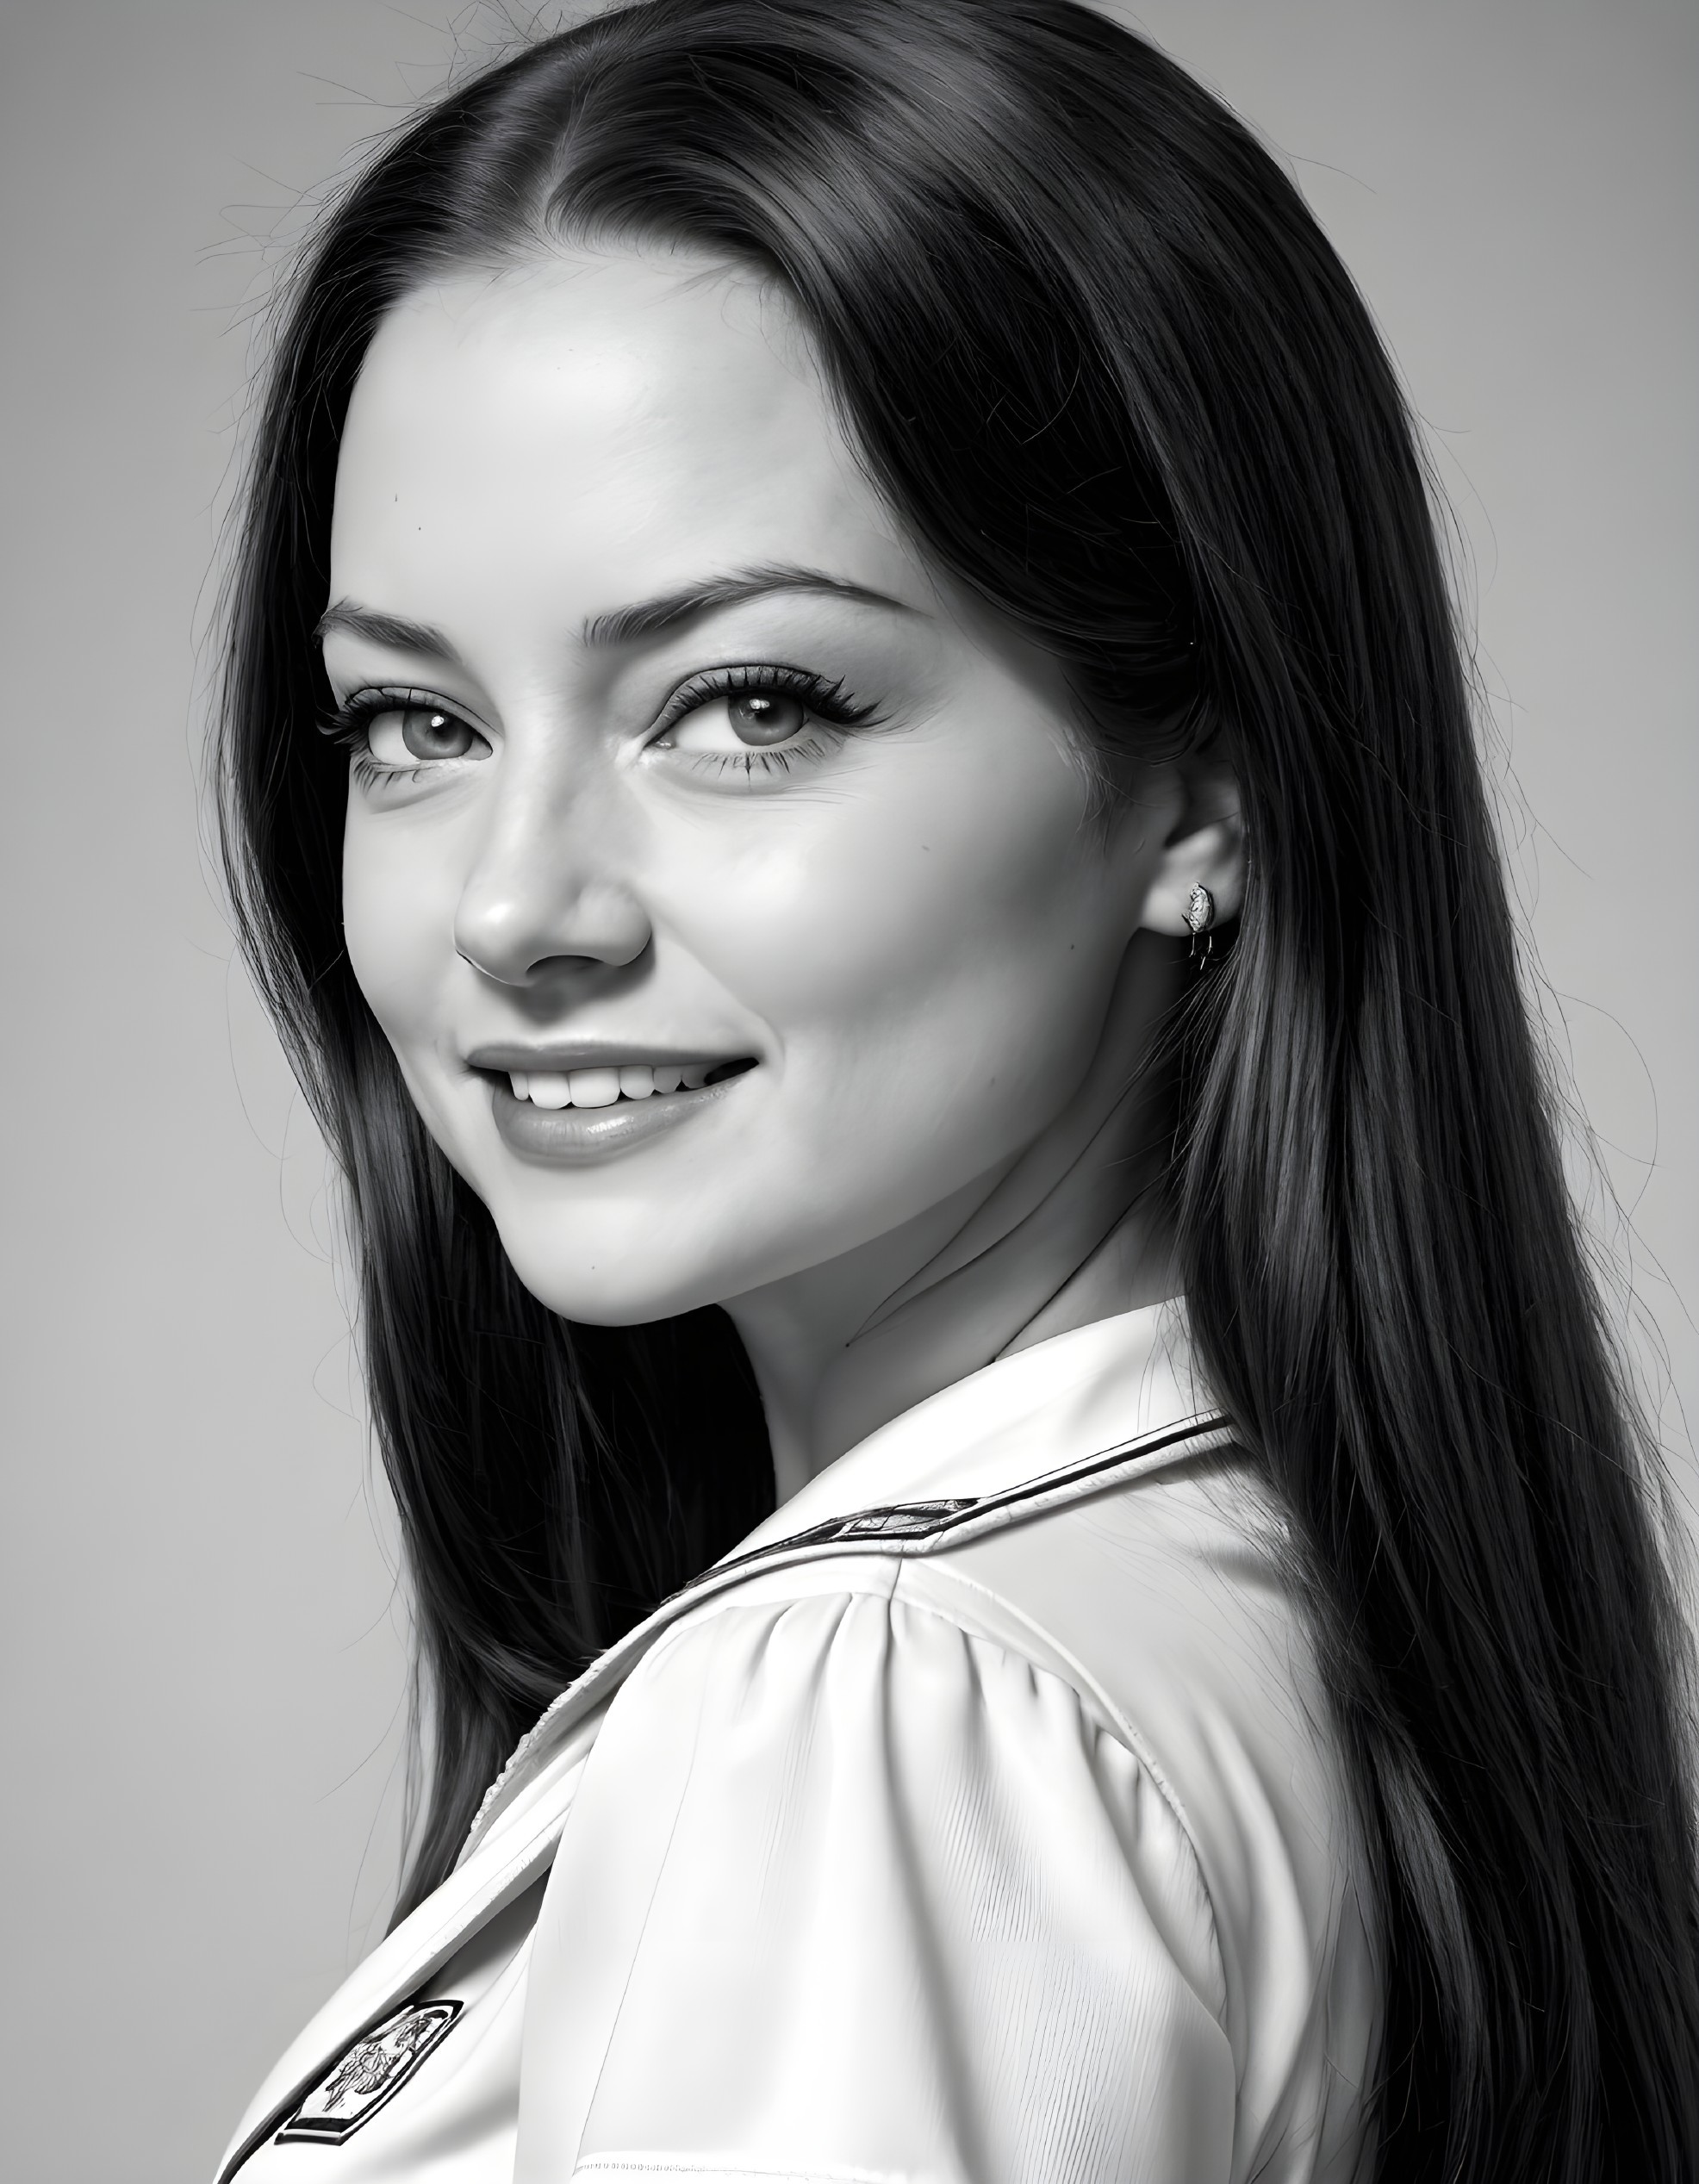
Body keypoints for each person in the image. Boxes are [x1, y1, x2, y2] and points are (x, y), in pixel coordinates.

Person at [208, 2, 1699, 2178]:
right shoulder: (1261, 1616)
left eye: (745, 701)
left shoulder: (889, 1706)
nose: (515, 908)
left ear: (1205, 778)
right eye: (410, 727)